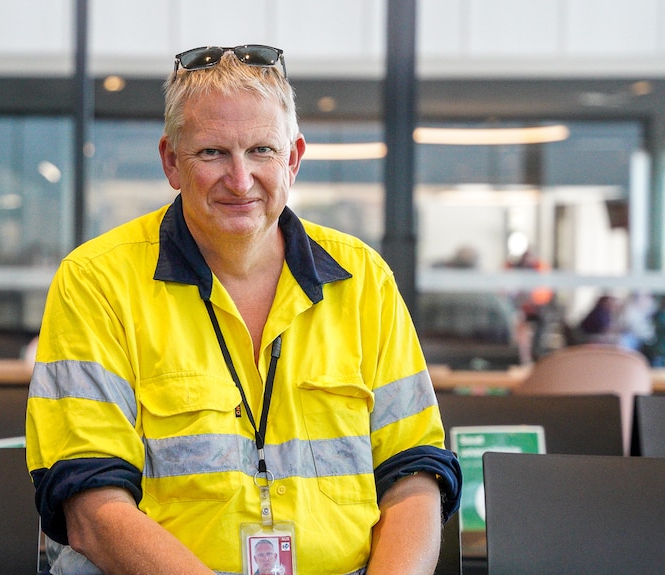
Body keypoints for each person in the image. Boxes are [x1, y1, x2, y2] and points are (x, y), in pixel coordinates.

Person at [26, 44, 461, 575]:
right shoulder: (96, 282)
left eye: (261, 150)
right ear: (171, 162)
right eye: (212, 153)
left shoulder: (364, 279)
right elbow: (91, 509)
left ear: (293, 159)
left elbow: (413, 474)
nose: (239, 179)